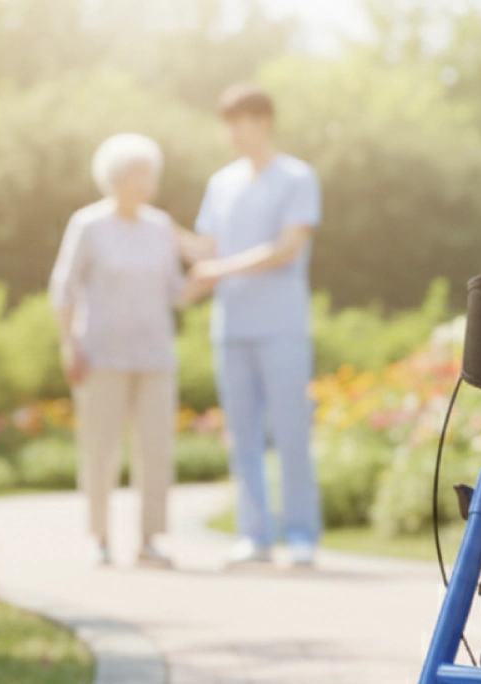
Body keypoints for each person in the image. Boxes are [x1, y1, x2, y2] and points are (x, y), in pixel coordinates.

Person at [49, 133, 209, 568]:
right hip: (101, 355)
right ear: (116, 178)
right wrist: (69, 344)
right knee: (101, 450)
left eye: (149, 174)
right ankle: (99, 538)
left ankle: (150, 539)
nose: (145, 183)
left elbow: (175, 291)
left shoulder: (160, 227)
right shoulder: (89, 224)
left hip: (156, 356)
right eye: (137, 174)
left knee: (156, 449)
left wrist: (206, 280)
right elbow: (64, 287)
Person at [187, 84, 324, 568]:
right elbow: (206, 250)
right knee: (241, 436)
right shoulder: (221, 182)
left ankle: (302, 535)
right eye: (225, 122)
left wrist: (216, 271)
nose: (229, 132)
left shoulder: (296, 177)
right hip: (231, 328)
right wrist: (151, 226)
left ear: (262, 120)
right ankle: (255, 536)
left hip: (282, 326)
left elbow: (286, 248)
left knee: (290, 434)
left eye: (237, 121)